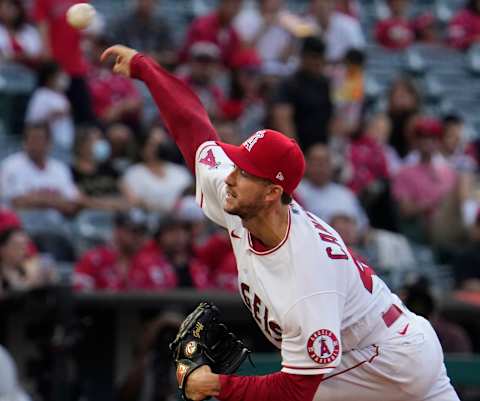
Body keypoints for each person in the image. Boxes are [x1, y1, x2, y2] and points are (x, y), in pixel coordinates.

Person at [101, 44, 459, 401]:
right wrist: (147, 68)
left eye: (244, 172)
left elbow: (295, 391)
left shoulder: (305, 272)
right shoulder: (243, 200)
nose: (230, 178)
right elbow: (196, 132)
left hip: (388, 362)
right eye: (236, 166)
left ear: (273, 192)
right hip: (385, 344)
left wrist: (214, 385)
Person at [271, 36, 333, 150]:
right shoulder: (290, 84)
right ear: (304, 56)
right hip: (298, 147)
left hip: (320, 149)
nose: (317, 62)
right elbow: (282, 118)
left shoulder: (326, 84)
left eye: (320, 57)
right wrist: (295, 150)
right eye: (313, 57)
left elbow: (332, 119)